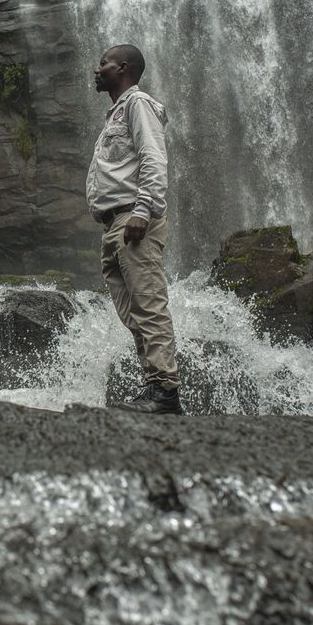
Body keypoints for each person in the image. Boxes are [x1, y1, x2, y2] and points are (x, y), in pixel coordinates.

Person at [86, 44, 183, 414]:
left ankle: (166, 392)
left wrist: (143, 209)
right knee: (134, 312)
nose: (97, 69)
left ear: (122, 68)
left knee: (150, 305)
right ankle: (154, 384)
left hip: (133, 220)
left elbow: (153, 157)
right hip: (115, 226)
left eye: (103, 63)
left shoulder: (138, 104)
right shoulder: (115, 115)